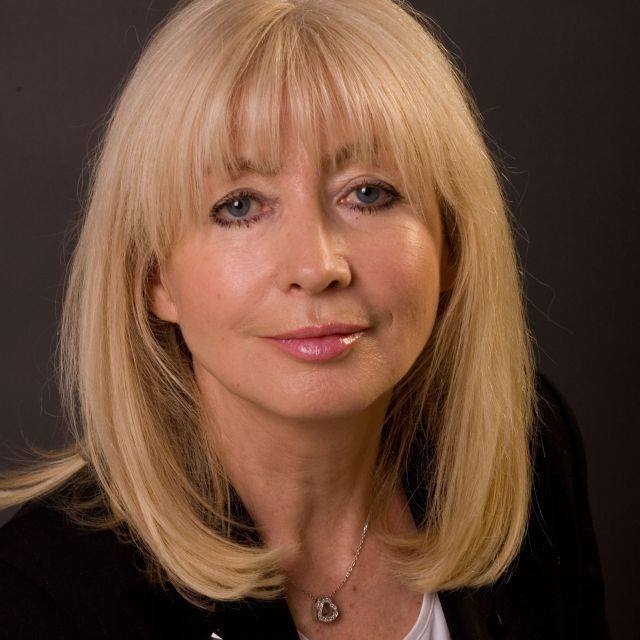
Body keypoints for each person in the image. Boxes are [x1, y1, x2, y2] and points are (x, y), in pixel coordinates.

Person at [0, 0, 609, 638]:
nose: (317, 267)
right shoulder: (38, 601)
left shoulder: (527, 452)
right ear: (154, 277)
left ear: (451, 244)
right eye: (240, 206)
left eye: (368, 193)